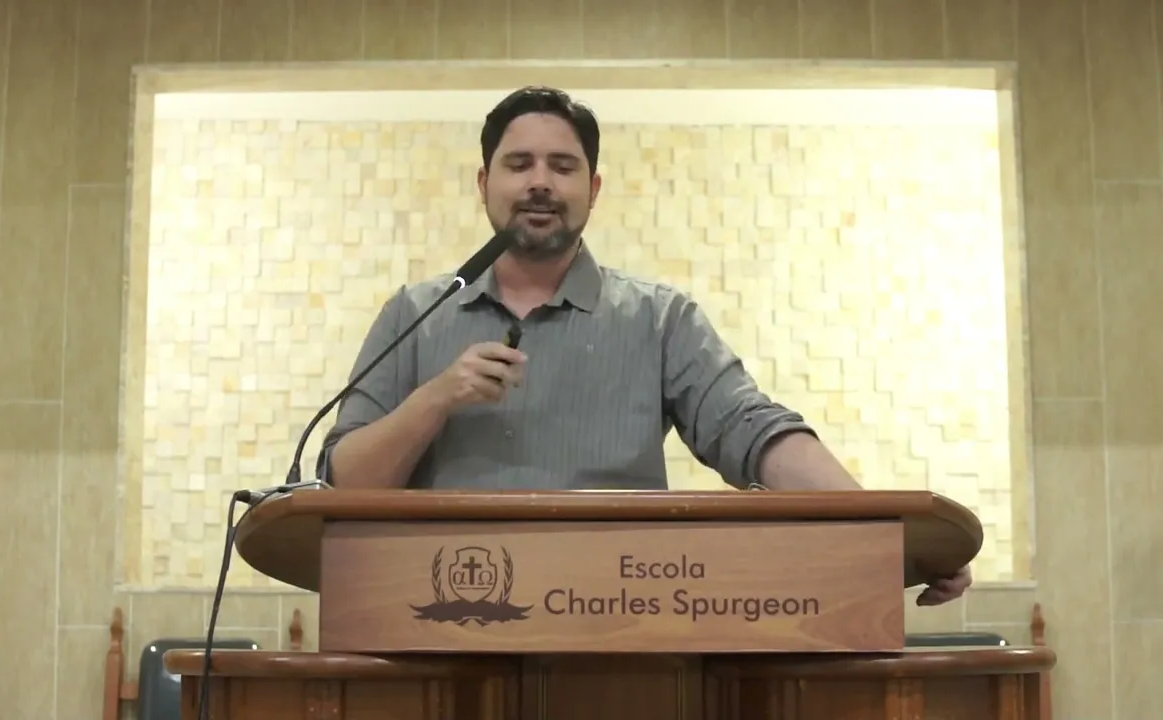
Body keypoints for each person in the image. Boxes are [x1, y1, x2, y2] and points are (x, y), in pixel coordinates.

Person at [317, 86, 970, 606]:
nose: (540, 182)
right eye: (519, 165)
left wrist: (887, 531)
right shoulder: (415, 315)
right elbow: (346, 486)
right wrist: (435, 398)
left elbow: (753, 431)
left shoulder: (659, 320)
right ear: (484, 183)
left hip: (617, 627)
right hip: (441, 626)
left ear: (593, 190)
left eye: (563, 166)